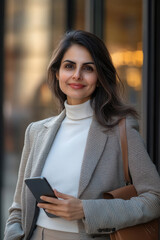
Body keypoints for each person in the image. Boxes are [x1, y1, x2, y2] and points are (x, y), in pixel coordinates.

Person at [4, 30, 160, 240]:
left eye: (88, 68)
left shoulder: (120, 129)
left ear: (100, 76)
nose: (77, 75)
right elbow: (18, 207)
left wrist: (86, 210)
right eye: (69, 66)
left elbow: (155, 198)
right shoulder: (36, 131)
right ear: (57, 72)